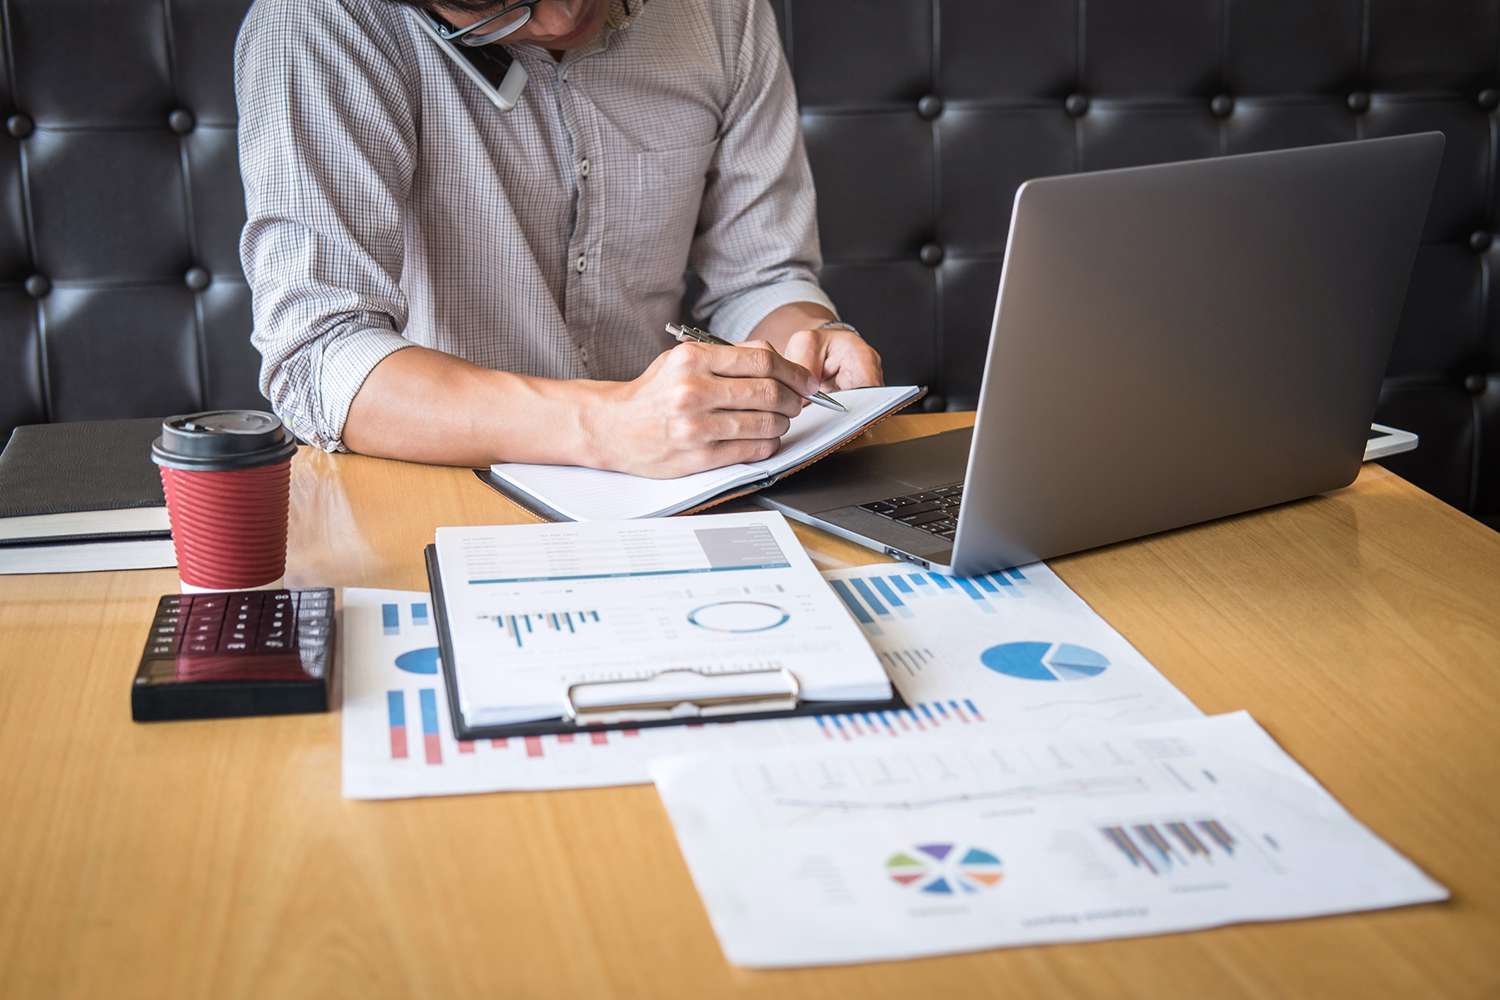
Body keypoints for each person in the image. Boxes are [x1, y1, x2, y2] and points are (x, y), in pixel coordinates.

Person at [235, 0, 884, 476]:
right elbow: (320, 358)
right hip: (429, 488)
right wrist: (606, 425)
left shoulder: (719, 11)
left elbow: (760, 276)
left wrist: (810, 341)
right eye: (501, 5)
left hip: (677, 486)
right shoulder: (319, 23)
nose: (566, 16)